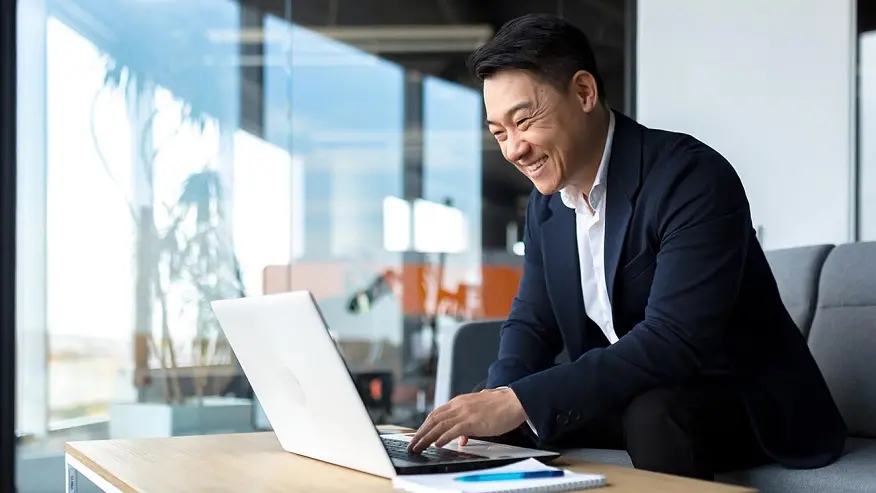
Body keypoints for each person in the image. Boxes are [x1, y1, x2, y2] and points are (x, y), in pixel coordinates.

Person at [407, 13, 847, 480]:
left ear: (583, 93)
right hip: (635, 391)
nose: (514, 148)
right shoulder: (547, 207)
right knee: (493, 412)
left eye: (524, 121)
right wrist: (495, 403)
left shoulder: (690, 178)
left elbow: (674, 341)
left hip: (737, 399)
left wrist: (520, 401)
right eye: (499, 133)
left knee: (648, 414)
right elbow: (533, 324)